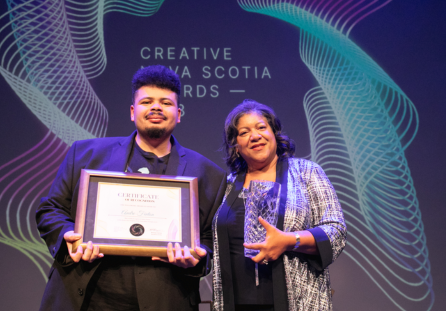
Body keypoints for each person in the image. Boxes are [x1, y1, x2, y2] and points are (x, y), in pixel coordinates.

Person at [36, 65, 227, 311]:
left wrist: (196, 259)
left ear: (178, 114)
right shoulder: (85, 154)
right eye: (147, 101)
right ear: (132, 111)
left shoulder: (208, 174)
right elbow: (50, 209)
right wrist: (68, 238)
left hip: (164, 300)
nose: (156, 107)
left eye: (166, 103)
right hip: (84, 298)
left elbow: (211, 238)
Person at [212, 100, 347, 311]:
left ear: (274, 133)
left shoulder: (307, 172)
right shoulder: (227, 185)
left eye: (261, 127)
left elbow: (335, 231)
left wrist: (289, 241)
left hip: (295, 303)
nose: (255, 136)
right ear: (235, 145)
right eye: (244, 132)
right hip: (235, 304)